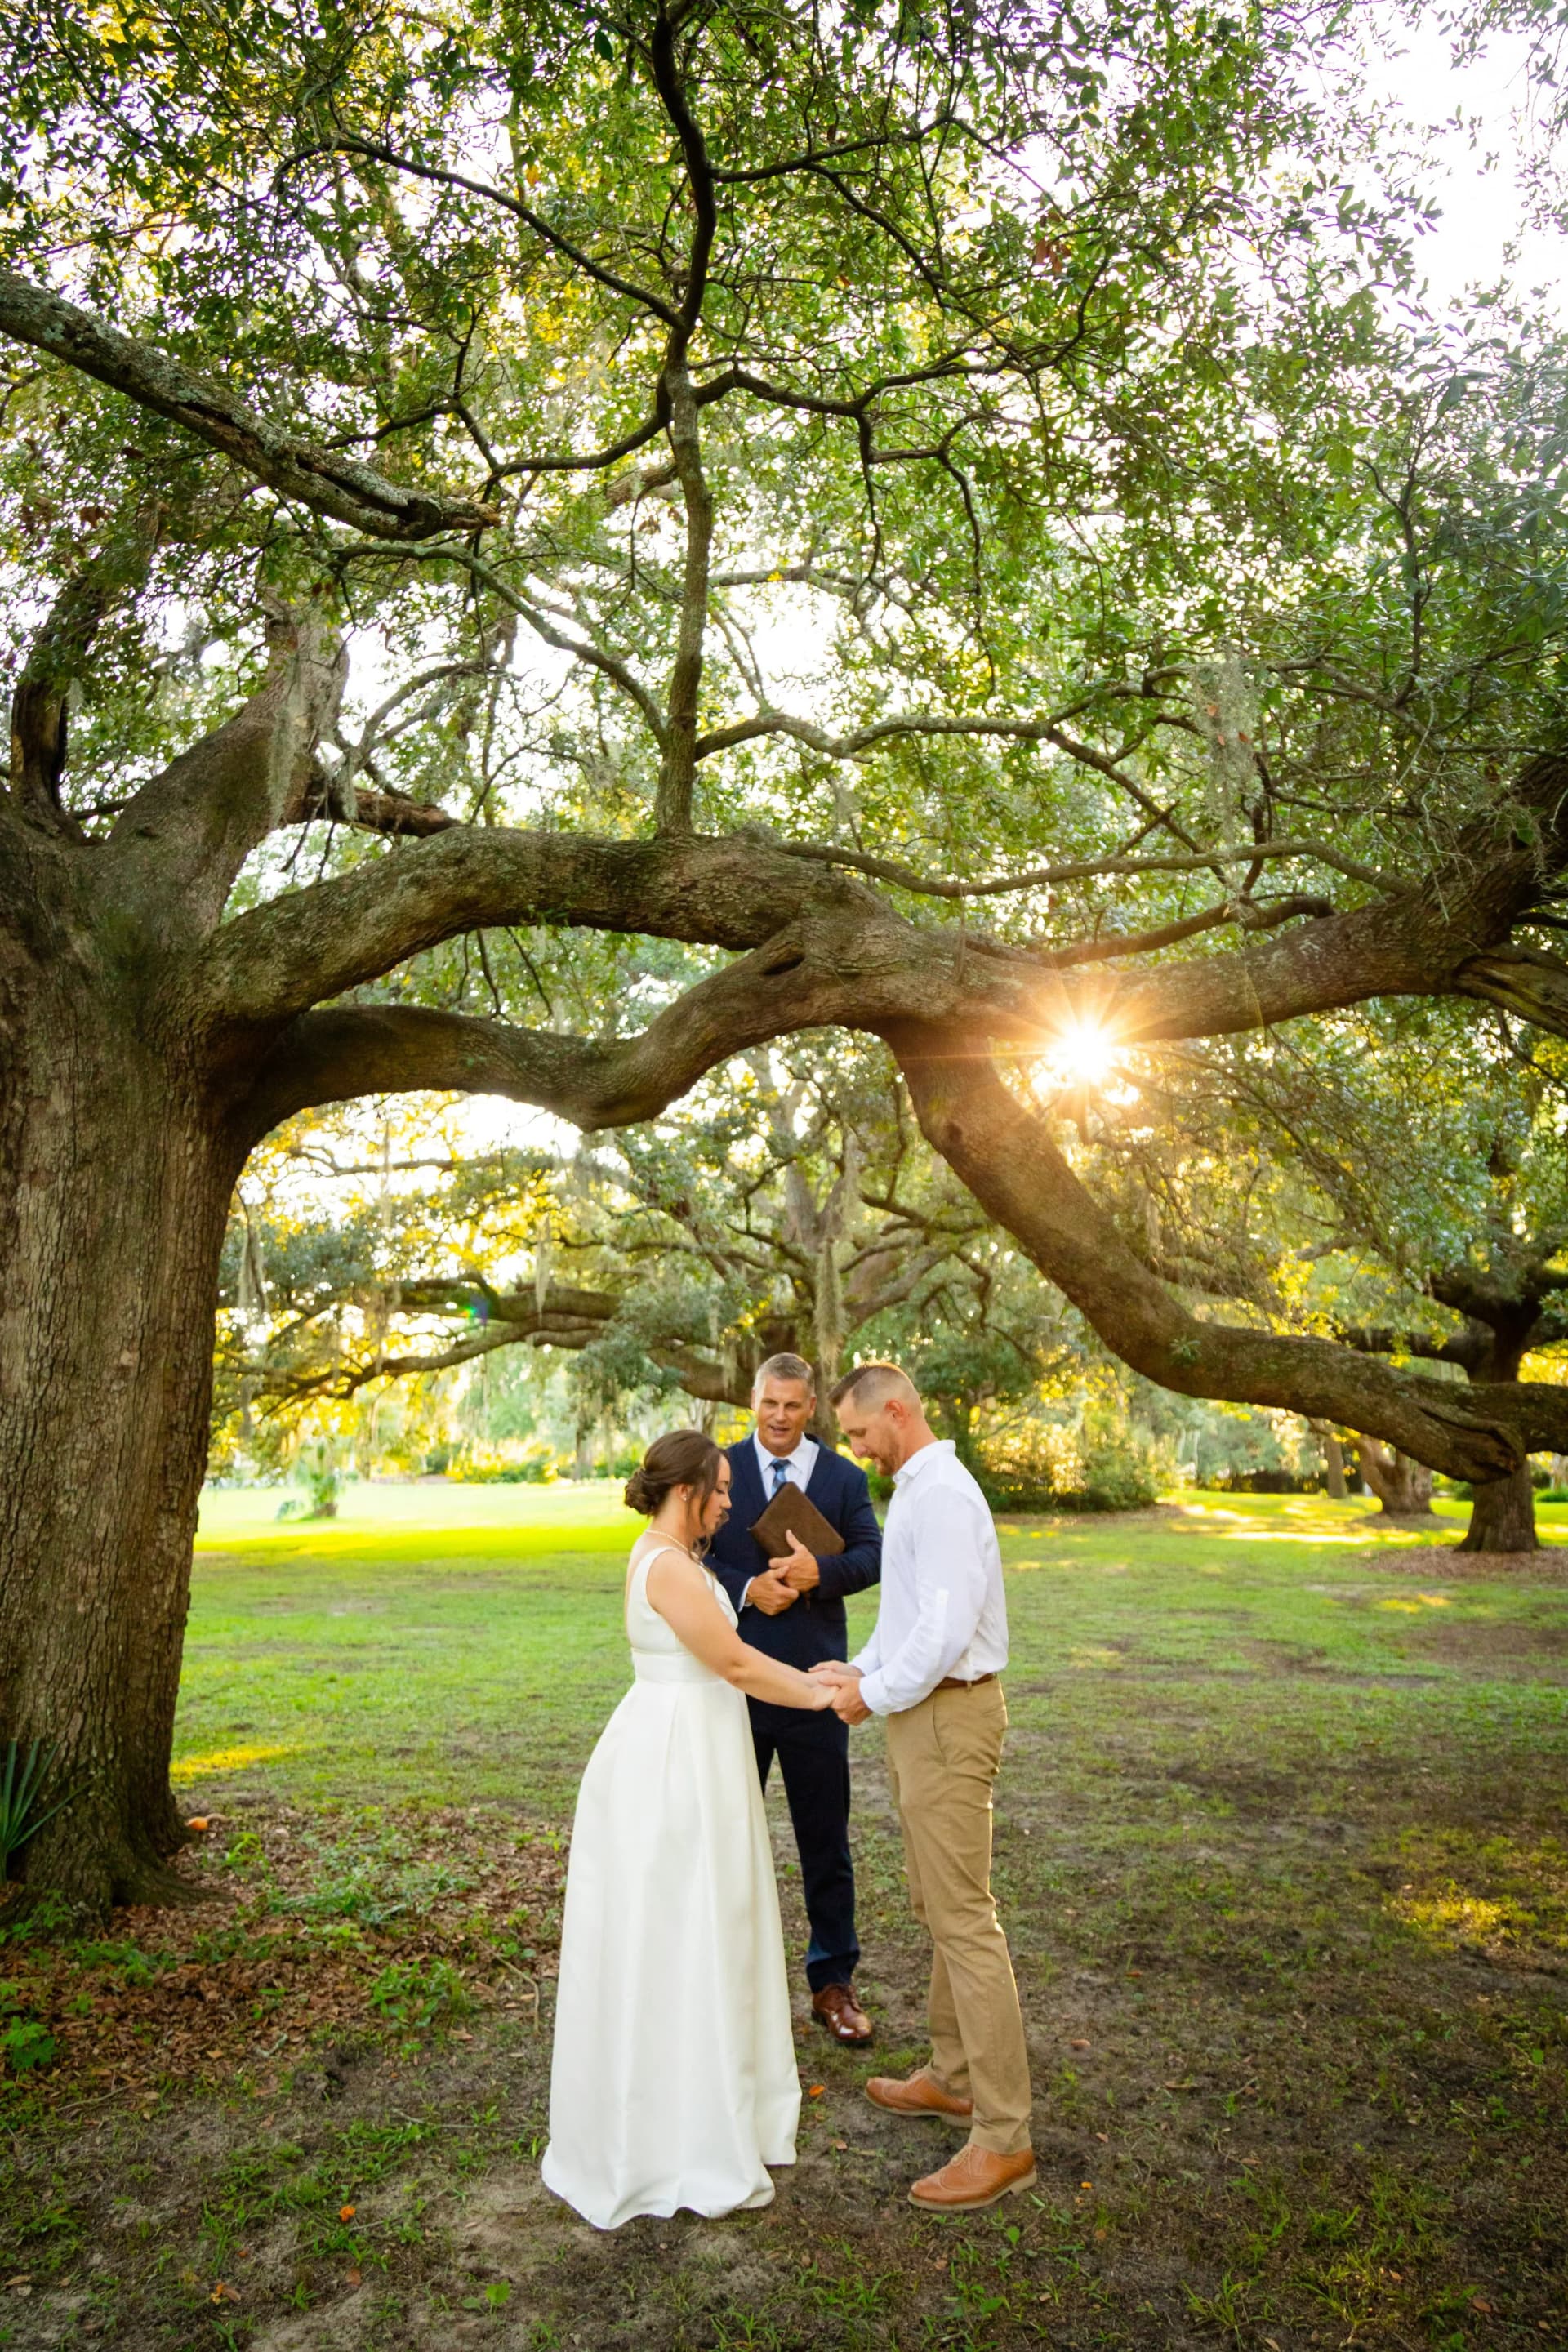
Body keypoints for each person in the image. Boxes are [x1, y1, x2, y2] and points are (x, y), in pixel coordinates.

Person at [541, 1429, 837, 2230]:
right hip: (672, 1767)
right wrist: (825, 1694)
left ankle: (714, 2101)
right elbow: (734, 1664)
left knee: (707, 1928)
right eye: (721, 1491)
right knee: (678, 1931)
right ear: (686, 1493)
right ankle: (670, 2134)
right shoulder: (667, 1566)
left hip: (699, 1751)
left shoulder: (674, 1555)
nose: (732, 1502)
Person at [813, 1362, 1036, 2214]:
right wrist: (860, 1667)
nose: (857, 1449)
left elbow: (944, 1633)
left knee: (966, 1922)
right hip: (922, 1715)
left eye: (862, 1433)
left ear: (897, 1413)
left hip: (949, 1718)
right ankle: (951, 2076)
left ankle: (1004, 2136)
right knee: (936, 1904)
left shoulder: (941, 1494)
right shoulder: (915, 1488)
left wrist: (871, 1694)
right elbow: (904, 1621)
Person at [707, 1353, 883, 2047]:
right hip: (736, 1685)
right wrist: (749, 1590)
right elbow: (691, 1554)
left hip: (815, 1688)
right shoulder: (718, 1469)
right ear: (753, 1400)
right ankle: (722, 1978)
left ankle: (832, 1983)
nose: (779, 1417)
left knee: (824, 1842)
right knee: (726, 1835)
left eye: (793, 1405)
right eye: (768, 1404)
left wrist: (818, 1574)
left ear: (811, 1406)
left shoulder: (843, 1477)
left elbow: (872, 1555)